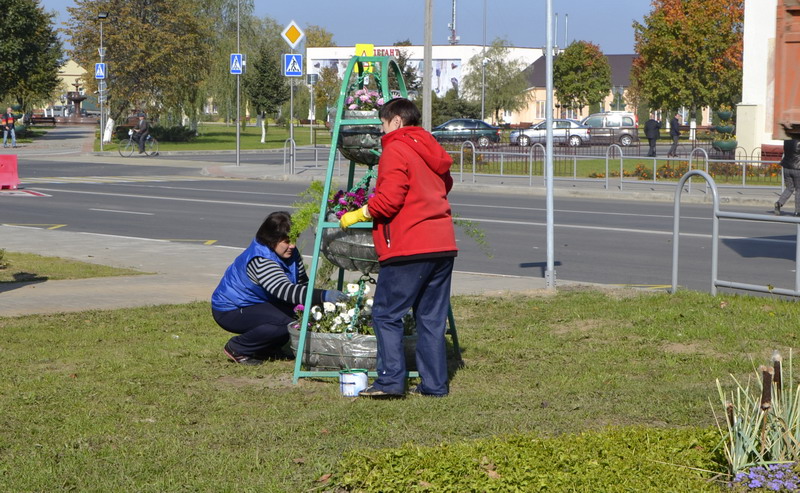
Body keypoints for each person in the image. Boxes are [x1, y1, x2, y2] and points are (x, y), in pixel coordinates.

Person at [340, 98, 457, 398]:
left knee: (386, 314)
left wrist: (361, 212)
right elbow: (445, 185)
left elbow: (390, 199)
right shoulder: (431, 147)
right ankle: (434, 386)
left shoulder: (396, 147)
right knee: (430, 319)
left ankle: (391, 381)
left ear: (396, 121)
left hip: (409, 245)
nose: (381, 132)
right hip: (441, 243)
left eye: (382, 124)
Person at [211, 211, 347, 365]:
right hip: (230, 309)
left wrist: (316, 305)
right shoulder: (262, 260)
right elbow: (284, 290)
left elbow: (302, 282)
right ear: (272, 239)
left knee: (298, 316)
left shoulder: (289, 253)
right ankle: (238, 347)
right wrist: (323, 296)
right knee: (286, 323)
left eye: (294, 239)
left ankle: (266, 348)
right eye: (286, 241)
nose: (292, 245)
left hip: (257, 303)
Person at [774, 138, 800, 217]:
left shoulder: (787, 139)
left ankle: (779, 203)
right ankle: (797, 211)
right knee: (798, 189)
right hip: (798, 168)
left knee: (789, 188)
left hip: (786, 167)